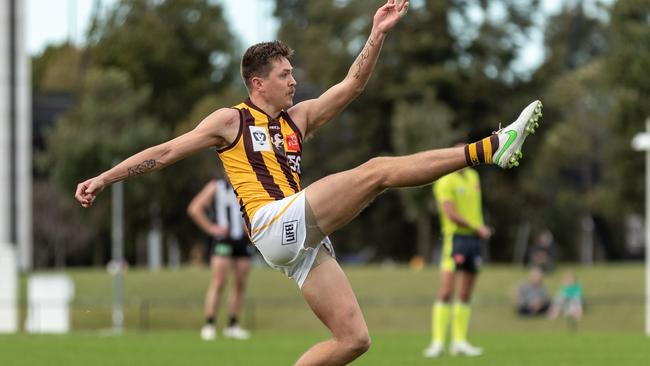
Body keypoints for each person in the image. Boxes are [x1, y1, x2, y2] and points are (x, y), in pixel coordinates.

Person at [75, 1, 543, 363]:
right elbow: (165, 152)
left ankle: (492, 148)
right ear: (258, 83)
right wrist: (105, 176)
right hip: (273, 223)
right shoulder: (231, 120)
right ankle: (490, 148)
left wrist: (376, 33)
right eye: (284, 75)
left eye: (292, 72)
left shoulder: (298, 119)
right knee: (377, 171)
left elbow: (352, 85)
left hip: (299, 244)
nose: (293, 81)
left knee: (354, 340)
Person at [423, 148, 492, 358]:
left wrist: (479, 229)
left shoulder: (473, 175)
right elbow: (450, 213)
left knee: (465, 292)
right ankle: (437, 342)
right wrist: (476, 226)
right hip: (456, 239)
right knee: (446, 291)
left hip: (474, 240)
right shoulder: (445, 181)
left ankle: (459, 342)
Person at [188, 178, 253, 341]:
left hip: (242, 240)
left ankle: (232, 325)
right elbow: (194, 208)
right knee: (219, 282)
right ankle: (209, 324)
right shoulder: (216, 187)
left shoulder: (247, 184)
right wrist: (211, 228)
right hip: (223, 240)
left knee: (239, 284)